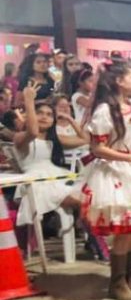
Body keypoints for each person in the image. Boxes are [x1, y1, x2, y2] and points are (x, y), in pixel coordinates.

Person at [77, 63, 131, 300]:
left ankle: (129, 277)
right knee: (124, 229)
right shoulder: (105, 110)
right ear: (119, 82)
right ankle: (117, 284)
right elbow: (97, 148)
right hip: (114, 171)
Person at [10, 84, 78, 235]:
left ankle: (91, 237)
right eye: (39, 113)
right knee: (81, 201)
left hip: (55, 177)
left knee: (88, 198)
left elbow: (85, 139)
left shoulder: (53, 139)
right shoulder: (21, 137)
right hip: (36, 183)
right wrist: (28, 100)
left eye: (49, 114)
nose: (44, 117)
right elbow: (33, 131)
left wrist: (69, 119)